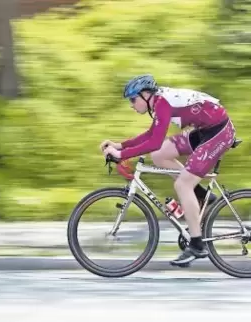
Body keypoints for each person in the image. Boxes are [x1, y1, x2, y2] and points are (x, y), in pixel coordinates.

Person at [100, 74, 236, 266]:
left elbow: (153, 142)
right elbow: (151, 135)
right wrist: (120, 146)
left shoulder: (162, 103)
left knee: (182, 185)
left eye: (133, 99)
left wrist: (122, 155)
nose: (131, 105)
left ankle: (197, 245)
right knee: (159, 155)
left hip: (219, 132)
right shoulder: (158, 102)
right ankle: (202, 195)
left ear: (146, 95)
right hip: (205, 129)